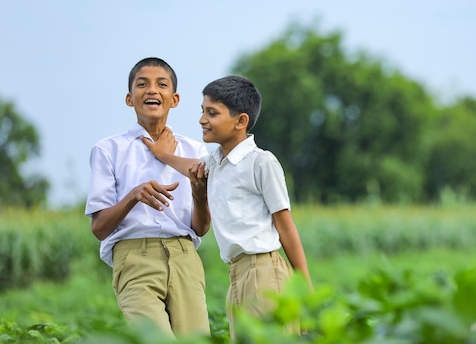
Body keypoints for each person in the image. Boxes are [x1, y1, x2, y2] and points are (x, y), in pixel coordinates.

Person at [143, 75, 312, 337]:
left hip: (263, 271)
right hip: (237, 275)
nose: (202, 119)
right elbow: (191, 167)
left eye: (212, 113)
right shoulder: (215, 164)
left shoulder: (261, 163)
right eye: (202, 111)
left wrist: (306, 290)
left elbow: (286, 227)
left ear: (240, 121)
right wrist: (162, 154)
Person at [84, 57, 212, 338]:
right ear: (130, 99)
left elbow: (201, 228)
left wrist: (200, 196)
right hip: (133, 257)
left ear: (174, 99)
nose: (152, 90)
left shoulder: (196, 151)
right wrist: (133, 195)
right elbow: (99, 228)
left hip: (184, 256)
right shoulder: (109, 150)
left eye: (161, 85)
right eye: (142, 84)